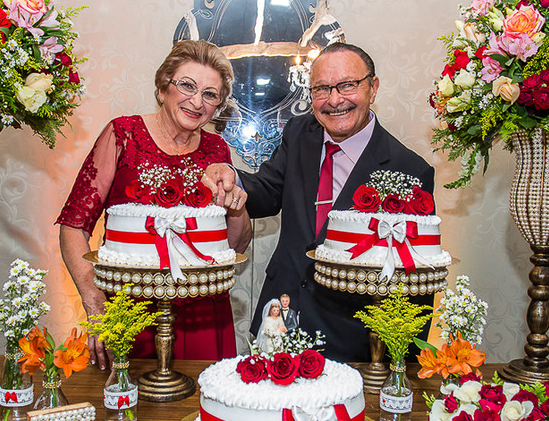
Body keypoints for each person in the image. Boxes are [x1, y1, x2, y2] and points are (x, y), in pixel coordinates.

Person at [202, 42, 433, 363]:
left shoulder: (409, 169)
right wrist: (233, 178)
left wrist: (400, 358)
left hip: (352, 336)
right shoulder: (300, 133)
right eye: (322, 89)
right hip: (280, 319)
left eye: (348, 85)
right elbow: (267, 191)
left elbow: (416, 277)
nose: (334, 100)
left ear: (373, 87)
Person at [57, 40, 252, 368]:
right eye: (187, 86)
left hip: (204, 310)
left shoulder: (217, 150)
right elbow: (73, 225)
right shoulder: (123, 135)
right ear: (163, 89)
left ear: (217, 106)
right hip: (131, 307)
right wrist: (95, 303)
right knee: (131, 396)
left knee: (203, 397)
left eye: (210, 94)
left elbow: (233, 245)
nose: (197, 101)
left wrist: (237, 207)